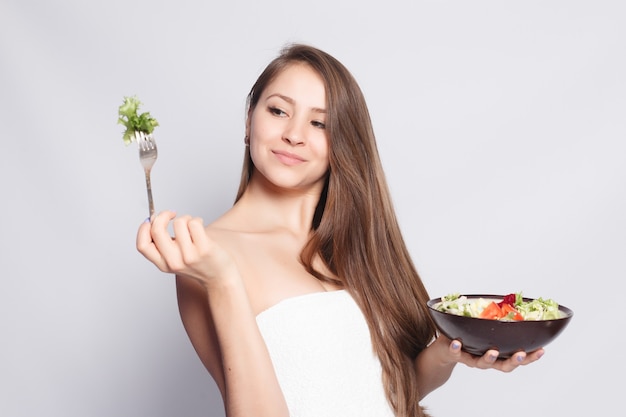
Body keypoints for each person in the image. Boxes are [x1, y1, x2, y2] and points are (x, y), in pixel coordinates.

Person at [136, 43, 544, 417]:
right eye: (278, 111)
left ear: (344, 144)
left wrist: (448, 352)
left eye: (320, 124)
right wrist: (224, 280)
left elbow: (384, 394)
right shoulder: (206, 256)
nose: (294, 135)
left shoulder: (355, 246)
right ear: (249, 121)